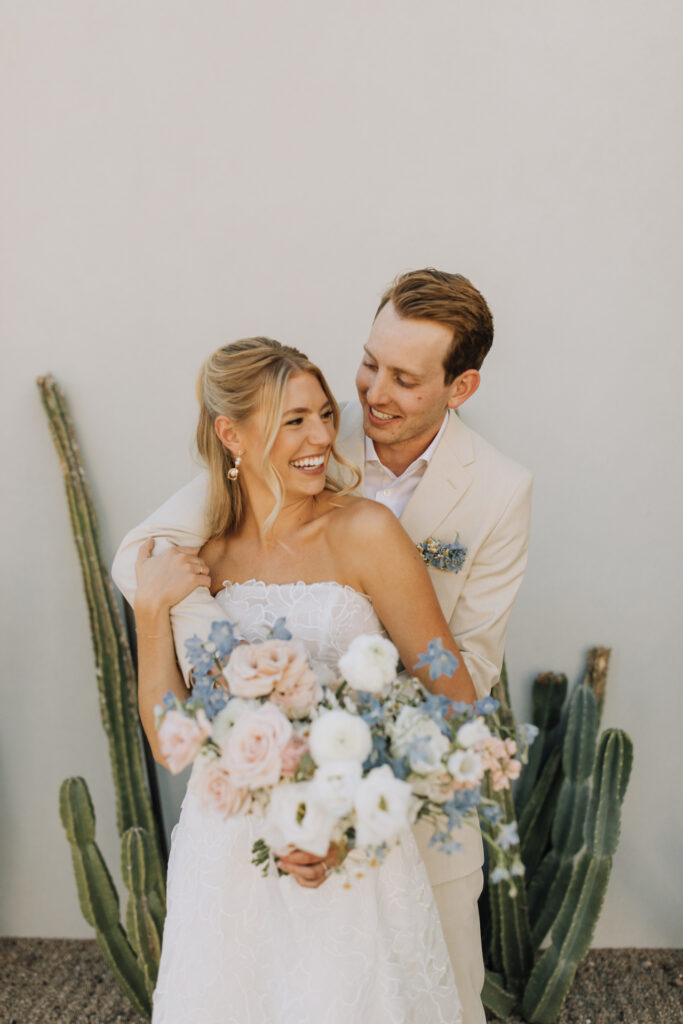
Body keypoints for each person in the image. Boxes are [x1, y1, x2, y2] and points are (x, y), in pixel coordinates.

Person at [113, 269, 533, 1024]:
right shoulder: (203, 546)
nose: (332, 426)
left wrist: (344, 813)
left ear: (456, 387)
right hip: (230, 857)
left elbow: (453, 679)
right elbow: (173, 738)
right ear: (231, 435)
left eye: (403, 378)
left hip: (360, 837)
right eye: (367, 366)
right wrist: (153, 613)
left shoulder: (374, 528)